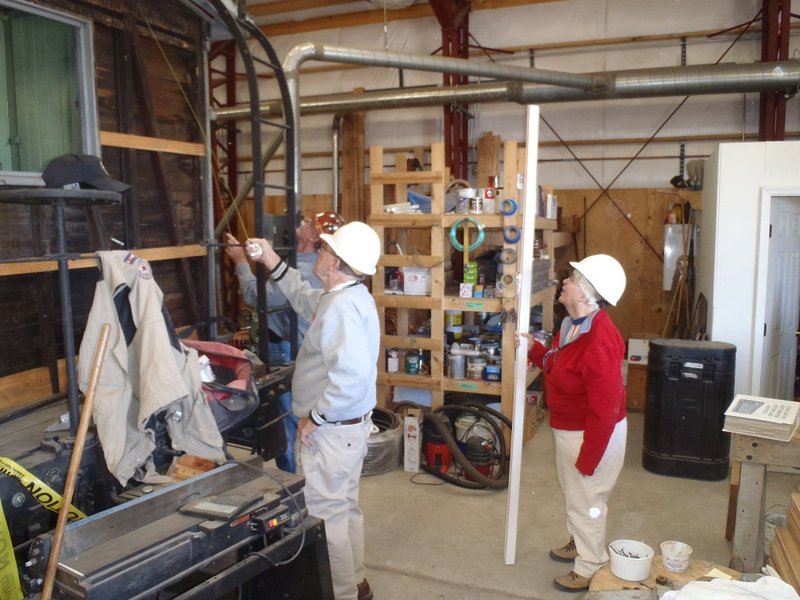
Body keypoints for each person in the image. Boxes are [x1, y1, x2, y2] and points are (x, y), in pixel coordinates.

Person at [246, 221, 380, 600]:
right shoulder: (347, 296)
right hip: (348, 432)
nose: (318, 253)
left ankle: (341, 594)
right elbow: (305, 300)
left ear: (334, 261)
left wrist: (314, 418)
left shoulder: (341, 309)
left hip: (332, 431)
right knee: (346, 507)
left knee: (327, 516)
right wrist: (271, 260)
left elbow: (350, 380)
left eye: (324, 249)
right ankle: (355, 580)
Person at [518, 254, 628, 593]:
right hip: (570, 430)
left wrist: (590, 458)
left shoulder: (599, 341)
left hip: (593, 434)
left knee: (588, 500)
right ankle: (578, 543)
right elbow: (559, 363)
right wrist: (534, 349)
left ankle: (590, 565)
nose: (565, 281)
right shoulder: (573, 325)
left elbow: (605, 408)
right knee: (575, 496)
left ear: (585, 292)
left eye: (572, 277)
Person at [224, 211, 345, 473]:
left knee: (287, 418)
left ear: (314, 236)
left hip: (287, 347)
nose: (300, 223)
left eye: (307, 223)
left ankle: (291, 477)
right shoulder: (306, 265)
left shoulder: (309, 268)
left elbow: (258, 297)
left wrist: (240, 262)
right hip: (293, 345)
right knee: (290, 415)